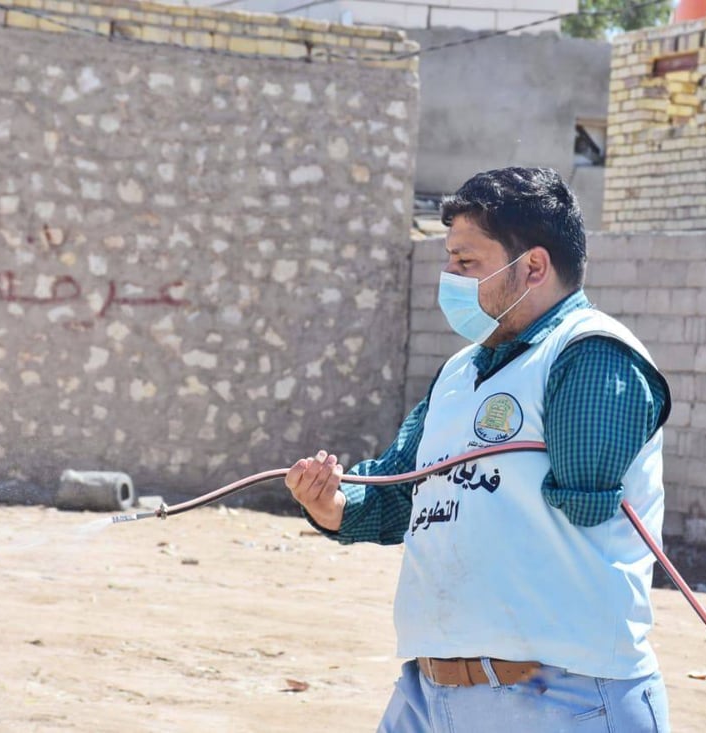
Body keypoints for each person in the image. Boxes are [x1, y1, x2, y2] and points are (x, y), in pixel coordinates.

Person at [285, 167, 672, 732]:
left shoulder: (592, 353)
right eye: (449, 260)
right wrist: (333, 506)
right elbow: (400, 489)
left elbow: (586, 495)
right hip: (430, 694)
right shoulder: (461, 371)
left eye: (467, 263)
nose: (449, 277)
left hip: (561, 698)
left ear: (533, 267)